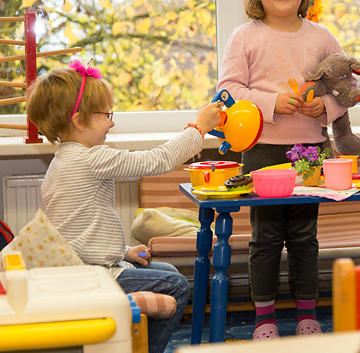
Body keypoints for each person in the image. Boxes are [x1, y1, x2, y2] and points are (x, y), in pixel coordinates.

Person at [26, 60, 222, 353]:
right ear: (79, 121)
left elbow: (79, 229)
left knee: (166, 269)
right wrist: (198, 129)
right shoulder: (92, 158)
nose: (112, 121)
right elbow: (156, 161)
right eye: (106, 114)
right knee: (177, 285)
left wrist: (124, 252)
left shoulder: (60, 163)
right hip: (92, 275)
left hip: (85, 266)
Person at [216, 0, 351, 340]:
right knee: (266, 239)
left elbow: (347, 86)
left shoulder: (323, 36)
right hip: (261, 151)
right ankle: (264, 317)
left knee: (305, 237)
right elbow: (228, 89)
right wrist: (271, 102)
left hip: (312, 151)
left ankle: (308, 314)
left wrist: (324, 107)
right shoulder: (244, 36)